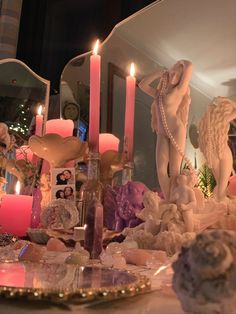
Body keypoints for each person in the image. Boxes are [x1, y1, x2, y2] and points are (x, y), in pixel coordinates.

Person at [139, 60, 193, 200]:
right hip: (162, 133)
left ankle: (174, 201)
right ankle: (169, 200)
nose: (175, 76)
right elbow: (142, 85)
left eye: (178, 75)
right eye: (173, 72)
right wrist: (159, 73)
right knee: (161, 169)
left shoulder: (179, 90)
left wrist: (181, 63)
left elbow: (189, 66)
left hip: (176, 129)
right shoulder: (159, 93)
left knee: (174, 169)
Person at [198, 97, 236, 201]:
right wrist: (227, 100)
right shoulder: (223, 120)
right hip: (223, 152)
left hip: (213, 153)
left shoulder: (207, 124)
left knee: (220, 184)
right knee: (222, 186)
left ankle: (219, 206)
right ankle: (222, 208)